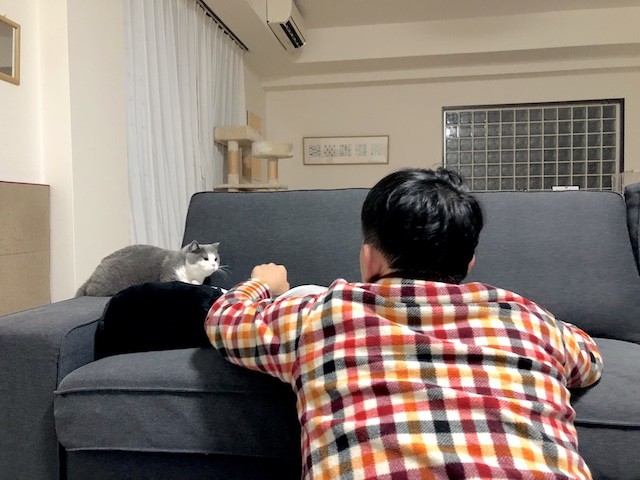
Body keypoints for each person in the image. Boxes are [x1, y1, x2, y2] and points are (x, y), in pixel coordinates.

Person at [205, 167, 603, 480]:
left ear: (369, 259)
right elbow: (588, 360)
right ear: (468, 263)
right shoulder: (528, 319)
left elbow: (224, 321)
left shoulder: (321, 314)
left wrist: (263, 283)